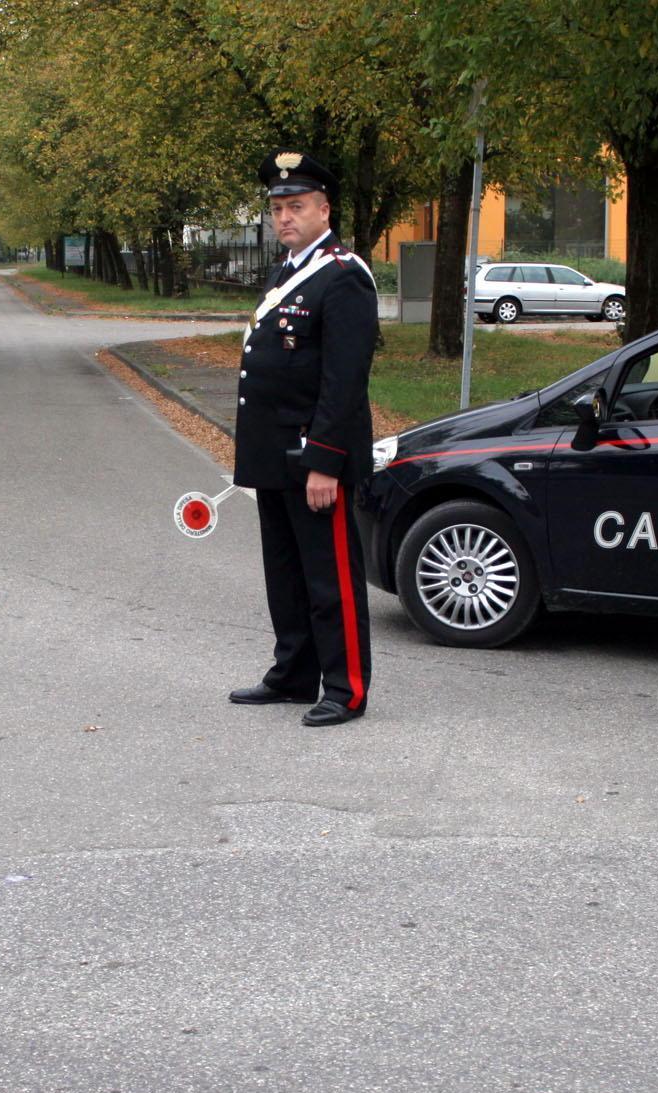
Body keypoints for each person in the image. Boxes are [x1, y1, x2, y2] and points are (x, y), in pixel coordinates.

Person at [227, 150, 377, 727]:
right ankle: (293, 674)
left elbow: (344, 381)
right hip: (274, 455)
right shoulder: (287, 272)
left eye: (296, 207)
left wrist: (325, 461)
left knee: (329, 578)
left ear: (324, 209)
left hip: (314, 457)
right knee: (286, 575)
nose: (284, 217)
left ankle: (346, 687)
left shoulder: (343, 277)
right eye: (277, 209)